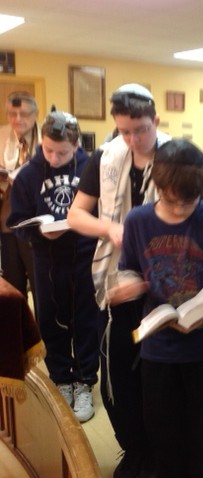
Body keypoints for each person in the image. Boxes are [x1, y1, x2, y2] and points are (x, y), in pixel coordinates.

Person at [107, 139, 203, 478]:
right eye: (171, 200)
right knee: (163, 438)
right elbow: (128, 268)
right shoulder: (138, 220)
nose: (180, 209)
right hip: (158, 349)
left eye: (189, 201)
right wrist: (129, 285)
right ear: (157, 185)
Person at [67, 83, 171, 476]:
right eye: (124, 131)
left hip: (164, 289)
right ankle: (135, 450)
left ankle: (159, 455)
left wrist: (145, 281)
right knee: (118, 378)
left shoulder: (176, 157)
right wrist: (109, 228)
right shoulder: (106, 157)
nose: (132, 140)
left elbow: (194, 225)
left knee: (158, 378)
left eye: (140, 130)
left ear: (156, 120)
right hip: (115, 284)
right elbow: (77, 214)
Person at [7, 111, 99, 422]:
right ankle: (61, 378)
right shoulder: (28, 175)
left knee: (86, 320)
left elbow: (103, 212)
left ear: (76, 145)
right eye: (48, 150)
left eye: (62, 152)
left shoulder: (91, 168)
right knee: (49, 319)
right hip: (46, 259)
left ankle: (85, 381)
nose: (54, 158)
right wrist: (37, 231)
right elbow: (16, 221)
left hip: (85, 255)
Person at [0, 91, 40, 303]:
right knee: (13, 285)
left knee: (39, 282)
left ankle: (43, 324)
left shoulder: (48, 138)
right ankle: (19, 324)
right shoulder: (1, 136)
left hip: (36, 223)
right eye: (11, 114)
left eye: (23, 114)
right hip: (7, 222)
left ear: (36, 115)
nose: (17, 119)